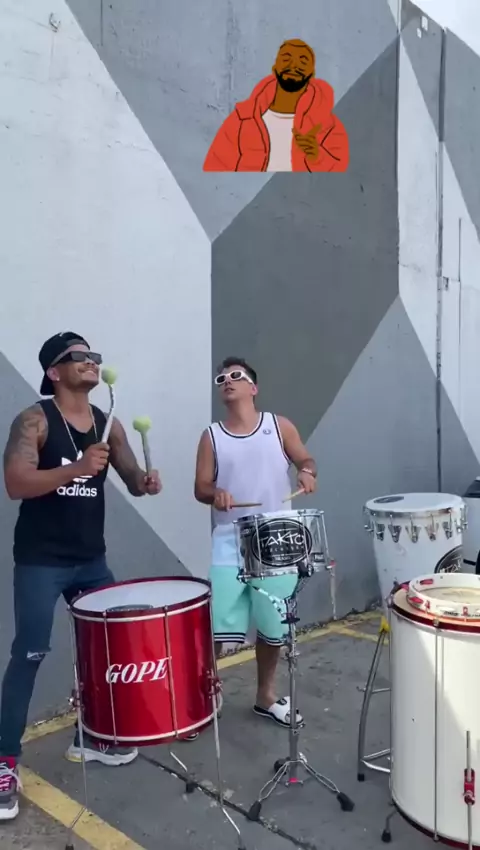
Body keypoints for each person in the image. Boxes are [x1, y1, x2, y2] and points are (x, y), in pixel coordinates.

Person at [0, 332, 162, 822]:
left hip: (91, 559)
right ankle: (5, 761)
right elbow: (15, 483)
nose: (91, 362)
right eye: (79, 357)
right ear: (54, 372)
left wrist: (146, 481)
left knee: (108, 651)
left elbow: (133, 480)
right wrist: (75, 469)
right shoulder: (34, 419)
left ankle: (90, 736)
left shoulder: (108, 423)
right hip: (41, 560)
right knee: (30, 653)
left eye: (94, 356)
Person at [194, 357, 317, 728]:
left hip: (276, 537)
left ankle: (265, 696)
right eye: (221, 378)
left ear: (253, 387)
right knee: (216, 624)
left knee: (273, 627)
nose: (227, 381)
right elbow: (200, 487)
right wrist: (215, 494)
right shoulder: (211, 436)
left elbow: (305, 458)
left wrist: (307, 472)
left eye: (236, 376)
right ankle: (205, 696)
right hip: (229, 540)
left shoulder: (279, 426)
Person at [203, 39, 349, 173]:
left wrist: (318, 158)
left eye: (303, 61)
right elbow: (215, 170)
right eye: (286, 58)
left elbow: (347, 179)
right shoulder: (242, 119)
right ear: (274, 68)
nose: (293, 65)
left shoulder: (329, 126)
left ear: (312, 74)